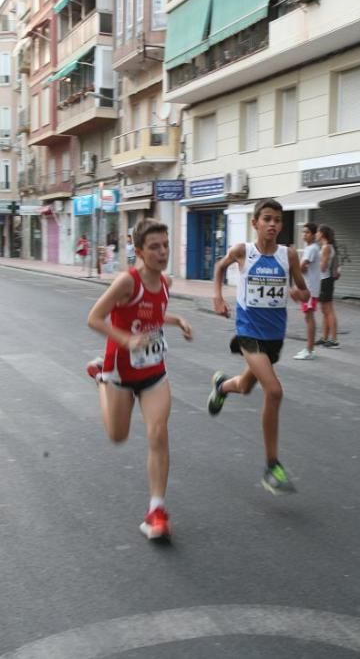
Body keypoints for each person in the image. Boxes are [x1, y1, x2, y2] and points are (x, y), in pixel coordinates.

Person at [86, 218, 193, 540]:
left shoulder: (166, 283)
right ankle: (100, 380)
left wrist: (177, 320)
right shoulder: (126, 282)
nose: (162, 253)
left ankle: (156, 510)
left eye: (165, 245)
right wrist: (126, 340)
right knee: (118, 435)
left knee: (158, 433)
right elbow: (94, 318)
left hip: (153, 371)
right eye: (154, 247)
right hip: (120, 369)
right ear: (139, 251)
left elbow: (153, 316)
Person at [207, 198, 310, 495]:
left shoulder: (288, 255)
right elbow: (219, 267)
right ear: (255, 223)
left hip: (274, 335)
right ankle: (271, 466)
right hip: (248, 332)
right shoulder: (244, 252)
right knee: (274, 391)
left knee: (246, 386)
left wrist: (299, 293)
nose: (273, 224)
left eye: (277, 219)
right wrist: (217, 296)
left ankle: (222, 386)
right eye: (267, 219)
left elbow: (303, 288)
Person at [294, 222, 320, 360]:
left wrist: (295, 267)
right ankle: (309, 348)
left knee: (309, 318)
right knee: (308, 317)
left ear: (314, 234)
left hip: (309, 289)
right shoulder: (312, 248)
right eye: (303, 232)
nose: (304, 235)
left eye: (307, 232)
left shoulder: (311, 249)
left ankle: (309, 350)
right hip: (311, 288)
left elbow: (302, 267)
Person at [315, 224, 339, 348]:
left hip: (325, 280)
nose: (316, 234)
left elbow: (323, 267)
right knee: (325, 311)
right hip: (325, 280)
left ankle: (334, 340)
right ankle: (324, 338)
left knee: (328, 310)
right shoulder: (329, 247)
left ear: (322, 234)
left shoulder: (326, 248)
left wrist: (313, 264)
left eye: (318, 232)